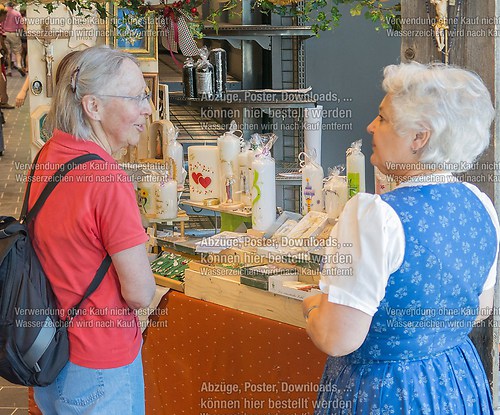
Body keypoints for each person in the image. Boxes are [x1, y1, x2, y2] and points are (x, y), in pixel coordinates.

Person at [303, 62, 499, 414]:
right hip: (456, 380)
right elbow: (480, 309)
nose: (371, 127)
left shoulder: (374, 215)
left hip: (387, 390)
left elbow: (337, 339)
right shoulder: (480, 203)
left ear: (419, 137)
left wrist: (313, 306)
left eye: (383, 119)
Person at [29, 46, 156, 414]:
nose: (147, 109)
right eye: (136, 97)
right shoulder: (108, 179)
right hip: (102, 364)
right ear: (93, 106)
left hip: (52, 357)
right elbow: (139, 293)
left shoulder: (48, 154)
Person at [3, 2, 25, 77]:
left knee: (7, 52)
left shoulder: (4, 13)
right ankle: (19, 65)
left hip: (5, 33)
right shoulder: (17, 14)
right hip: (14, 33)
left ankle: (9, 69)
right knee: (17, 51)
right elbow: (20, 25)